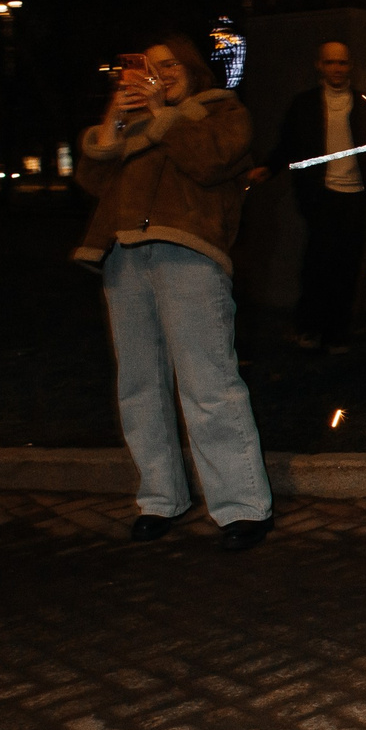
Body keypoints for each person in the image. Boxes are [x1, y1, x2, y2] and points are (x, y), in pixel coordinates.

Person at [71, 34, 274, 551]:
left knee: (208, 381)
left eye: (171, 65)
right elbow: (92, 179)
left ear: (191, 68)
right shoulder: (136, 123)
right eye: (150, 68)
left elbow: (210, 163)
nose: (162, 73)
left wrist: (164, 114)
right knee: (139, 384)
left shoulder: (221, 112)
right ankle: (160, 498)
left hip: (189, 252)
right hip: (122, 254)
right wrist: (116, 117)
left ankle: (242, 506)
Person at [257, 40, 366, 351]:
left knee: (348, 265)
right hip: (320, 195)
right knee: (318, 264)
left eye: (342, 63)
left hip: (355, 196)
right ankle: (309, 326)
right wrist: (268, 167)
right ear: (320, 65)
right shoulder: (304, 104)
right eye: (330, 63)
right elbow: (288, 143)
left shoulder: (365, 103)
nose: (337, 69)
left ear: (350, 66)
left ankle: (336, 332)